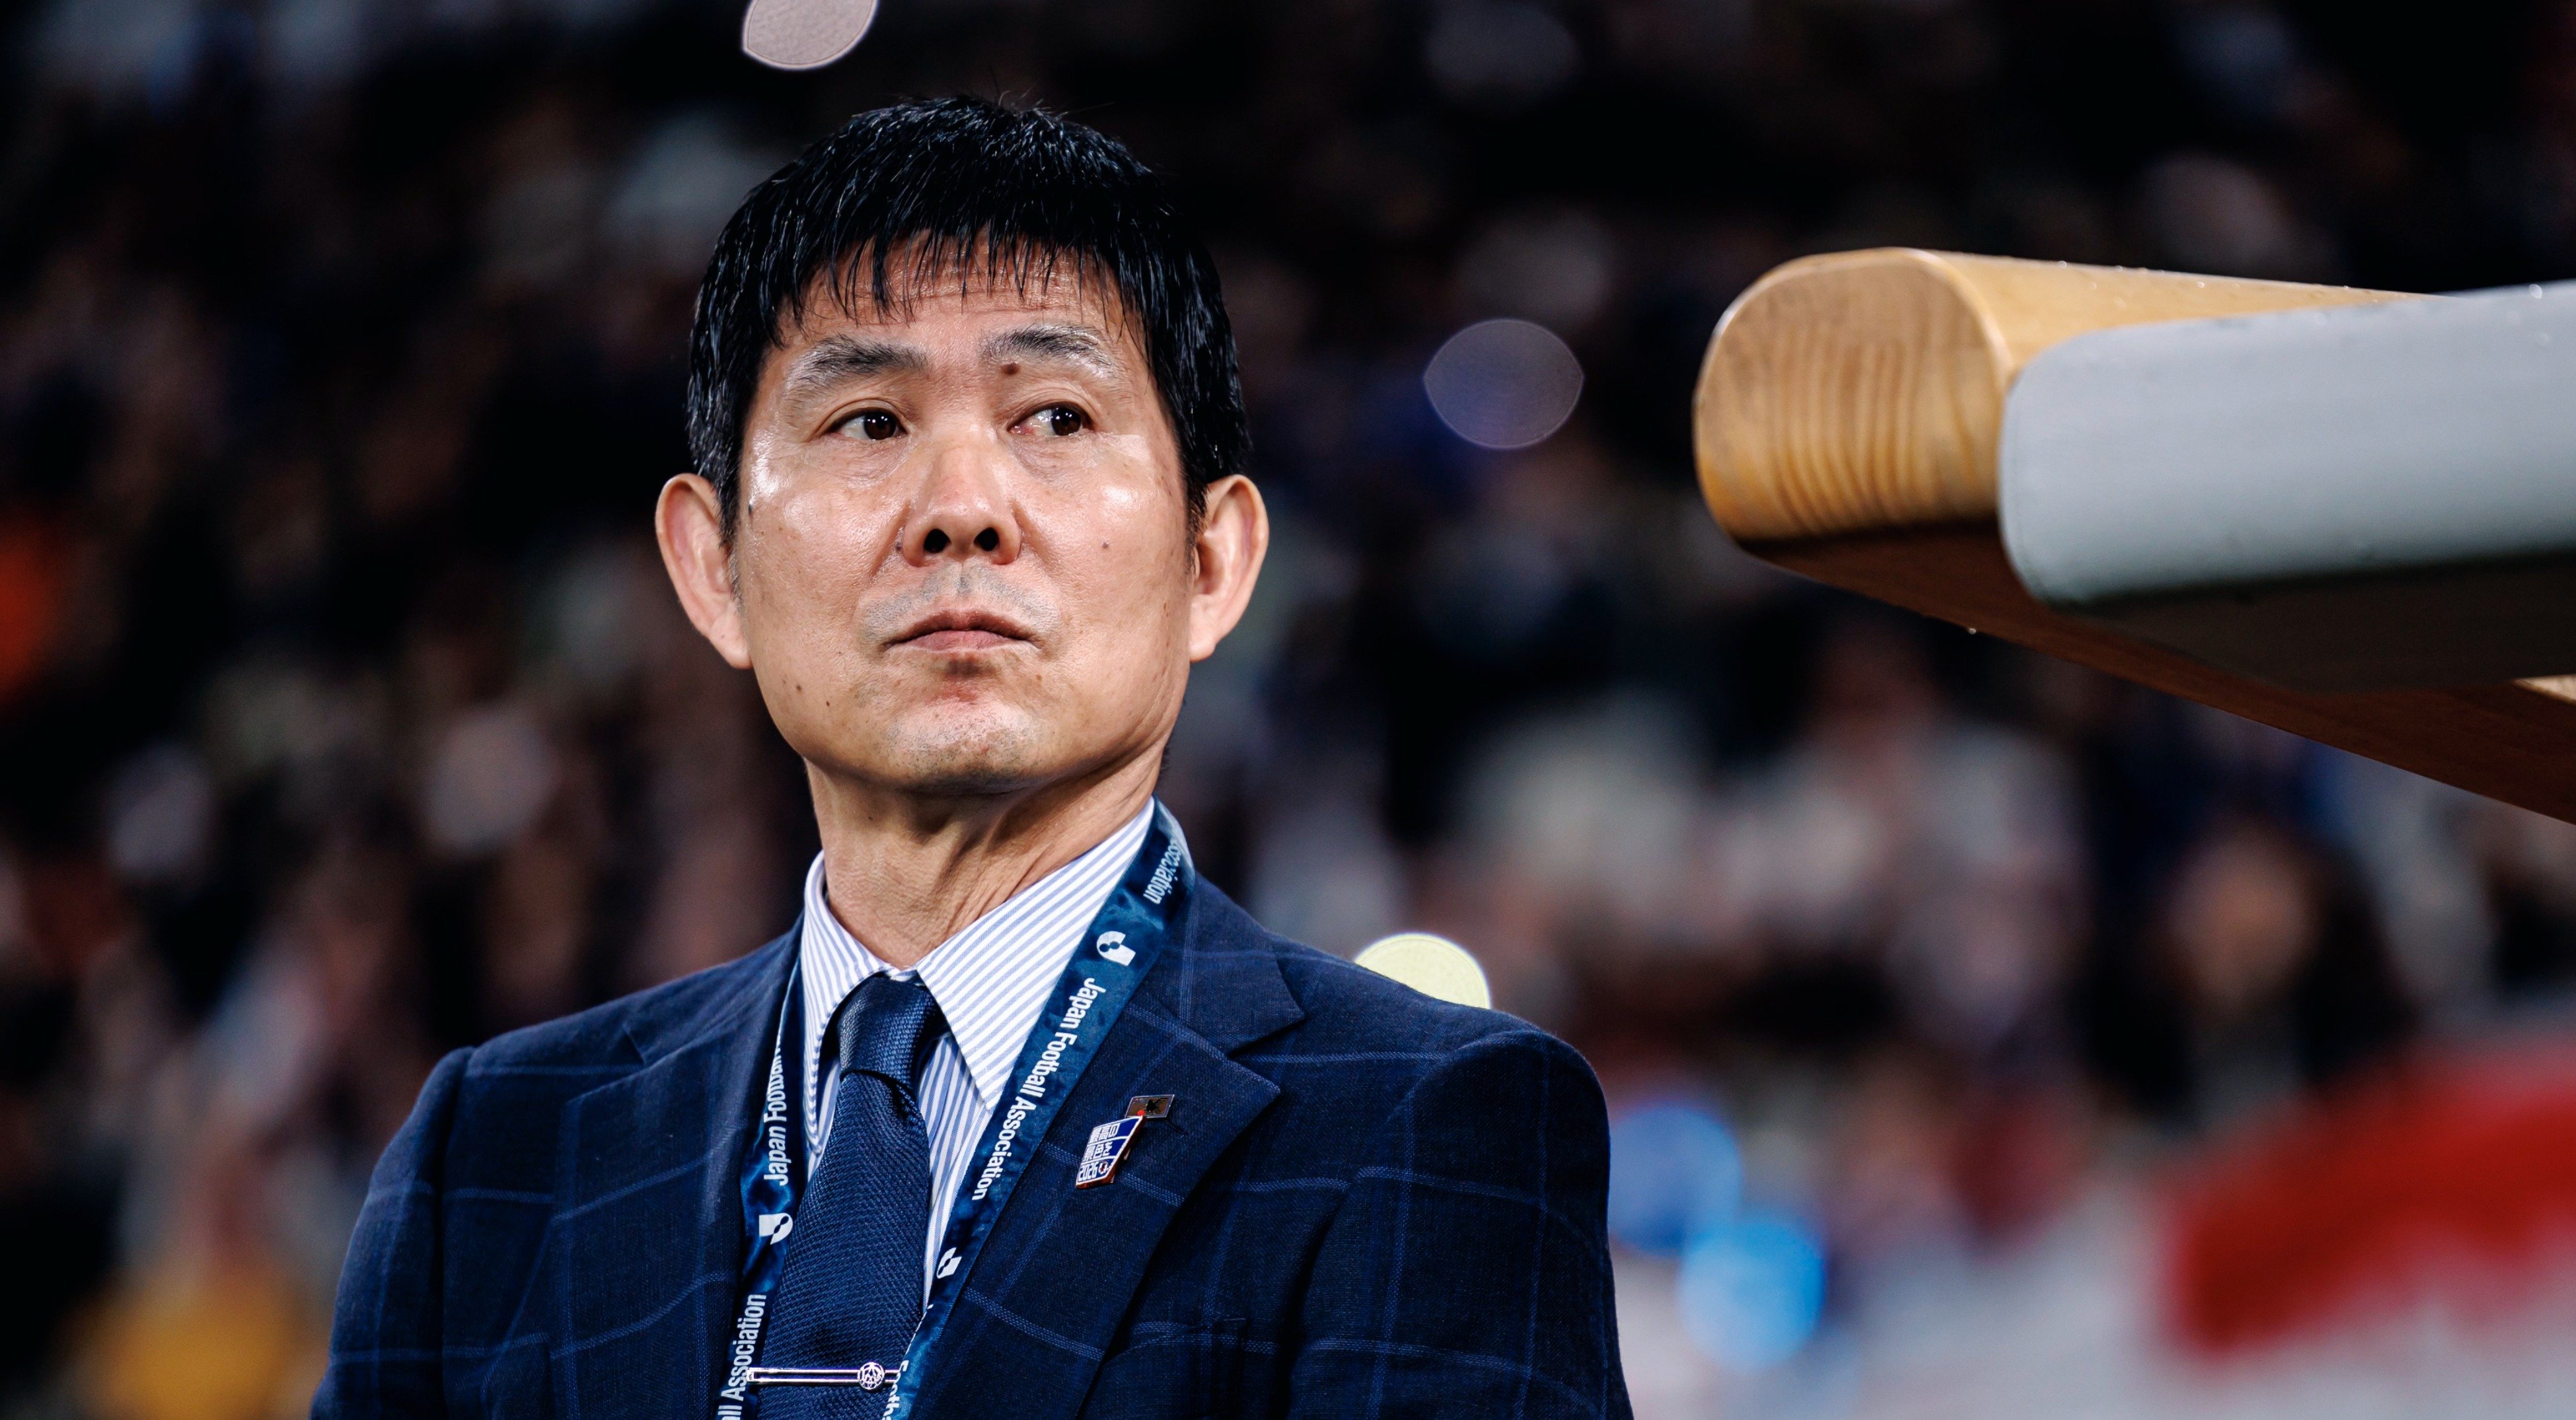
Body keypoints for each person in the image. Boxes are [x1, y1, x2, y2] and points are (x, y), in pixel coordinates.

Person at [313, 98, 1627, 1419]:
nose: (959, 509)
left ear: (1211, 561)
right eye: (867, 422)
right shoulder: (492, 1151)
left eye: (1053, 416)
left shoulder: (1421, 1117)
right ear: (713, 568)